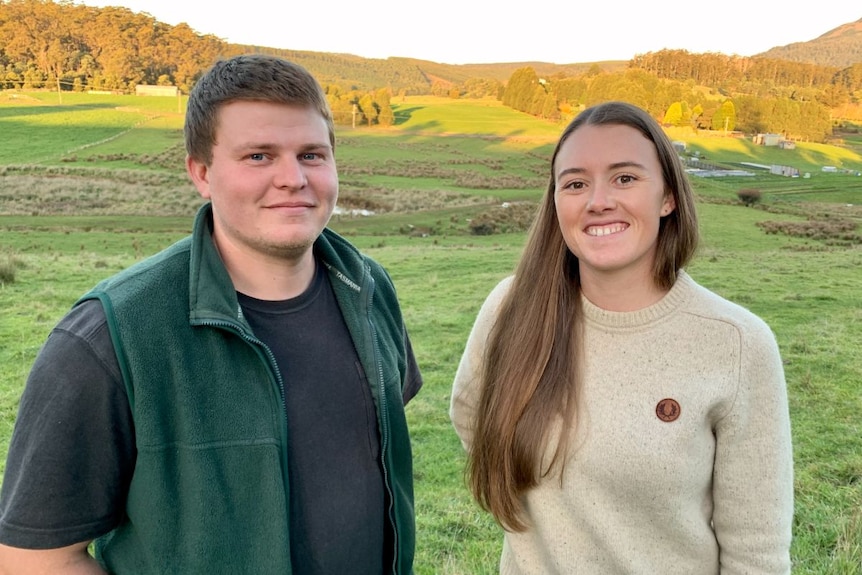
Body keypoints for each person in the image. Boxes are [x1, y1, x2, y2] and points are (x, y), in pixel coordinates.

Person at [0, 54, 422, 574]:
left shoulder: (368, 288)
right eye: (259, 157)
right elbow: (30, 559)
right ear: (201, 173)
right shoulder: (110, 338)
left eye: (311, 154)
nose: (293, 178)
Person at [450, 101, 793, 574]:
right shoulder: (512, 307)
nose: (598, 201)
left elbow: (756, 555)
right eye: (575, 183)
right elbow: (472, 417)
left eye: (625, 178)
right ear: (556, 202)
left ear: (668, 196)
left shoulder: (738, 344)